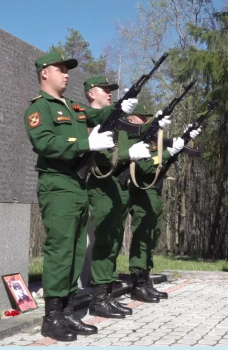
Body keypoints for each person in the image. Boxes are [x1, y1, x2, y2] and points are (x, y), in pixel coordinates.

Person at [24, 54, 138, 342]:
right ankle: (52, 318)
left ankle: (68, 314)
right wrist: (86, 143)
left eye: (67, 71)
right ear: (44, 73)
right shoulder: (39, 109)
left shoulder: (73, 107)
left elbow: (96, 115)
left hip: (77, 184)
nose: (66, 75)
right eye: (60, 70)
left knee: (75, 250)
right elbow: (45, 142)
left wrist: (120, 108)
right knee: (60, 248)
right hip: (57, 182)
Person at [84, 77, 172, 317]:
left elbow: (135, 139)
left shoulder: (117, 122)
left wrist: (156, 125)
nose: (110, 94)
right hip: (102, 185)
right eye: (105, 90)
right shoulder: (88, 120)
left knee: (113, 240)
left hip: (117, 187)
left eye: (112, 91)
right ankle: (98, 297)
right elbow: (101, 157)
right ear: (92, 93)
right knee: (105, 241)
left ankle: (106, 293)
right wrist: (127, 153)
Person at [125, 108, 200, 303]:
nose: (144, 121)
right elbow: (147, 166)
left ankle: (146, 278)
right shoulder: (132, 141)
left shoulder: (149, 141)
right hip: (141, 190)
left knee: (152, 236)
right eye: (141, 118)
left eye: (147, 119)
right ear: (129, 119)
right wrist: (168, 152)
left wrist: (181, 140)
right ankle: (137, 282)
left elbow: (162, 160)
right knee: (142, 237)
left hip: (154, 192)